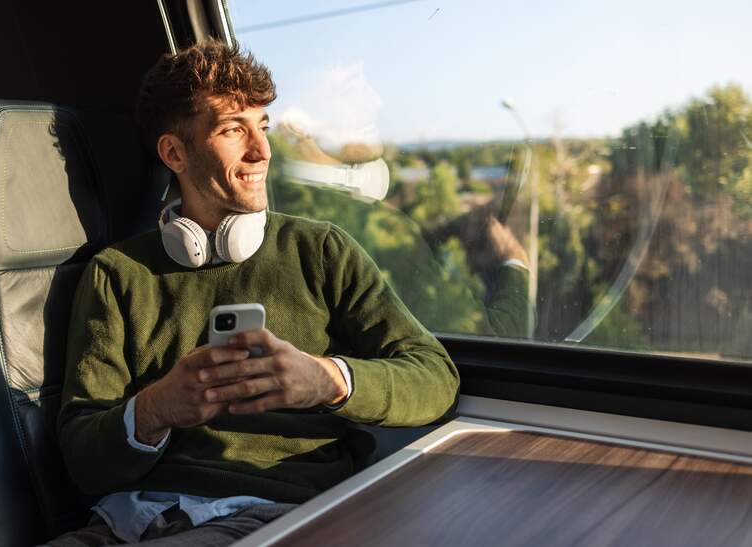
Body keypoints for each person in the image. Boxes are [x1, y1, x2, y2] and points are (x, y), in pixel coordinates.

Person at [53, 40, 458, 546]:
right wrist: (157, 408)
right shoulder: (116, 274)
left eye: (262, 126)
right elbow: (82, 461)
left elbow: (436, 376)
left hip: (272, 517)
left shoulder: (320, 251)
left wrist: (328, 380)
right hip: (130, 522)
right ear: (174, 152)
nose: (262, 150)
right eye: (233, 129)